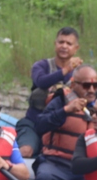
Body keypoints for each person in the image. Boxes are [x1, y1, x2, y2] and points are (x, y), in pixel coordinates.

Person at [30, 65, 97, 180]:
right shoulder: (60, 101)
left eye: (96, 85)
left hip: (84, 168)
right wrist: (65, 110)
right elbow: (39, 125)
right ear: (74, 84)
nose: (92, 90)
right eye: (86, 85)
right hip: (56, 164)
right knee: (44, 179)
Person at [15, 27, 84, 158]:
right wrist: (66, 69)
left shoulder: (81, 73)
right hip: (33, 124)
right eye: (61, 42)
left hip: (63, 129)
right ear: (55, 44)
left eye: (69, 44)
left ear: (76, 48)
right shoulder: (41, 66)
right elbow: (41, 82)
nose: (64, 46)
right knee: (25, 151)